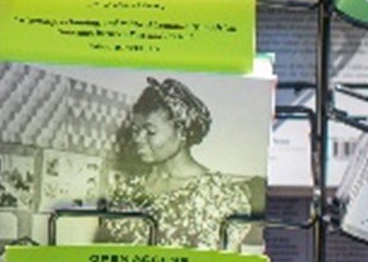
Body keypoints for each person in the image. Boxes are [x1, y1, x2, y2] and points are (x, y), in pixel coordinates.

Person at [107, 78, 258, 251]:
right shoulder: (126, 192)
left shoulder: (220, 196)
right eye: (135, 130)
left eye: (150, 131)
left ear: (182, 132)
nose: (138, 139)